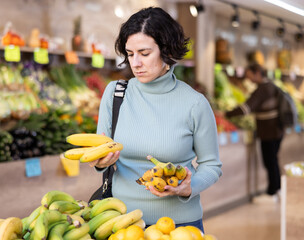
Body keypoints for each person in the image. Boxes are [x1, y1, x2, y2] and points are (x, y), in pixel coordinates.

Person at [89, 7, 222, 232]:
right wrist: (100, 163)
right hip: (123, 222)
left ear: (166, 51)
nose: (136, 63)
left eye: (144, 53)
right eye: (130, 54)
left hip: (178, 225)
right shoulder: (115, 94)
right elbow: (102, 151)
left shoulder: (194, 104)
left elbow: (211, 165)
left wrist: (189, 187)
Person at [225, 63, 283, 203]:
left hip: (269, 131)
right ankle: (276, 190)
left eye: (249, 74)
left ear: (257, 72)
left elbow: (246, 108)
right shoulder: (270, 85)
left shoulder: (263, 89)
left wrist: (226, 114)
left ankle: (272, 192)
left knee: (270, 161)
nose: (247, 77)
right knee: (272, 160)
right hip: (276, 129)